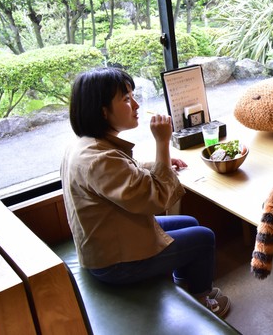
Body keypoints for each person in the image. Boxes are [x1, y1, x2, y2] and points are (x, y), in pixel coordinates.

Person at [61, 66, 230, 317]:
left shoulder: (89, 146)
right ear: (103, 111)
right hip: (115, 262)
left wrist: (159, 164)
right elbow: (156, 199)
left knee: (189, 221)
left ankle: (183, 285)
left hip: (110, 239)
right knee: (204, 237)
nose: (137, 105)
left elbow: (129, 173)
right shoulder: (100, 159)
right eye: (126, 99)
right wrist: (162, 142)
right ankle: (201, 300)